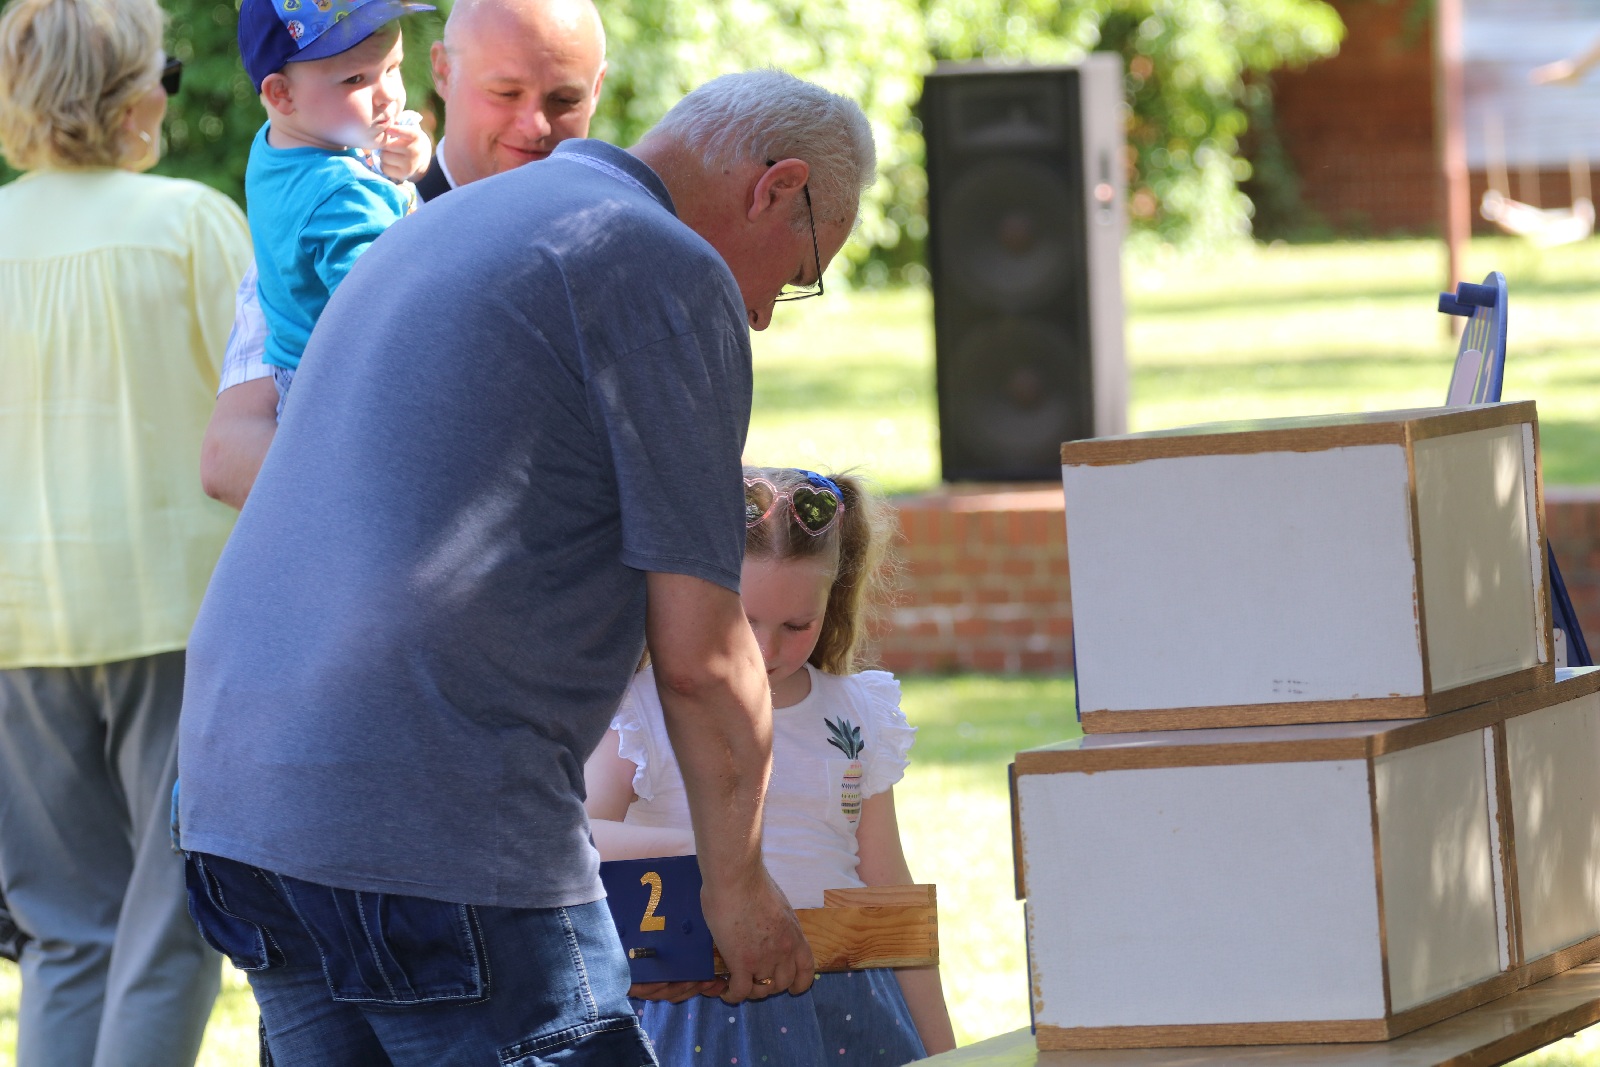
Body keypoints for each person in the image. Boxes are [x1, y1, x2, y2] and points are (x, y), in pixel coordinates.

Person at [177, 69, 876, 1062]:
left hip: (237, 798)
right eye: (799, 269)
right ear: (778, 186)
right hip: (428, 813)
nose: (764, 313)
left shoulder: (451, 220)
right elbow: (704, 652)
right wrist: (740, 881)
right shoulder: (661, 264)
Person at [0, 0, 252, 1062]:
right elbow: (266, 408)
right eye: (167, 72)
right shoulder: (190, 223)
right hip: (176, 612)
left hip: (16, 630)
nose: (168, 90)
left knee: (66, 933)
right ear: (128, 95)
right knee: (173, 923)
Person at [586, 466, 958, 1064]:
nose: (766, 648)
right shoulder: (650, 707)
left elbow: (890, 891)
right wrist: (715, 849)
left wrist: (943, 1054)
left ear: (832, 600)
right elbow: (576, 837)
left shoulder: (858, 712)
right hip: (705, 1005)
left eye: (796, 625)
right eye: (745, 618)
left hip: (851, 999)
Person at [200, 0, 608, 507]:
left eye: (564, 99)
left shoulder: (610, 245)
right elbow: (227, 454)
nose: (535, 126)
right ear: (443, 69)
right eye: (505, 92)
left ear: (598, 87)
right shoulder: (332, 210)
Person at [237, 0, 435, 412]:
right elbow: (387, 316)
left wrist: (406, 161)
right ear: (281, 93)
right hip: (346, 387)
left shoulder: (281, 142)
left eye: (394, 68)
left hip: (295, 371)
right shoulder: (344, 197)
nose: (391, 98)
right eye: (356, 78)